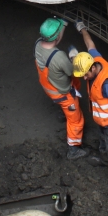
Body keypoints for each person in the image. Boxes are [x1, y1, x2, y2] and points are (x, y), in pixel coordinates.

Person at [71, 21, 108, 197]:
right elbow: (90, 44)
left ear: (93, 68)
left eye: (85, 75)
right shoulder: (94, 59)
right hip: (102, 120)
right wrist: (82, 29)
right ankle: (104, 160)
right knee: (104, 143)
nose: (84, 78)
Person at [34, 17, 87, 160]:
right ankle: (74, 150)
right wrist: (73, 58)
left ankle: (63, 114)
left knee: (65, 107)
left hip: (49, 87)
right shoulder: (59, 57)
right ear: (57, 37)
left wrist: (63, 24)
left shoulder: (38, 44)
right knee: (76, 120)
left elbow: (55, 40)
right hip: (63, 94)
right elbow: (73, 72)